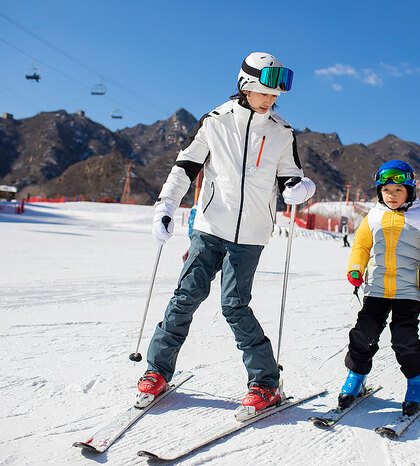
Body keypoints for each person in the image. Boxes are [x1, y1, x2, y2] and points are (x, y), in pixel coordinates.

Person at [136, 52, 316, 415]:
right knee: (185, 297)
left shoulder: (282, 132)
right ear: (246, 86)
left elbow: (289, 178)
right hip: (209, 226)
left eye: (275, 94)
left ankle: (266, 384)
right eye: (265, 92)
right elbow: (185, 167)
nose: (271, 99)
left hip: (250, 234)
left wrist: (300, 188)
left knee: (234, 305)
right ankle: (157, 371)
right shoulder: (215, 122)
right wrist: (166, 206)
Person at [338, 160, 420, 417]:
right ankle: (356, 377)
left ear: (409, 191)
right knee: (363, 334)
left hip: (408, 292)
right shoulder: (373, 217)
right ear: (380, 191)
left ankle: (417, 382)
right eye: (387, 190)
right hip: (376, 288)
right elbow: (361, 246)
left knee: (404, 339)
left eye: (398, 190)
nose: (392, 196)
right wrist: (355, 268)